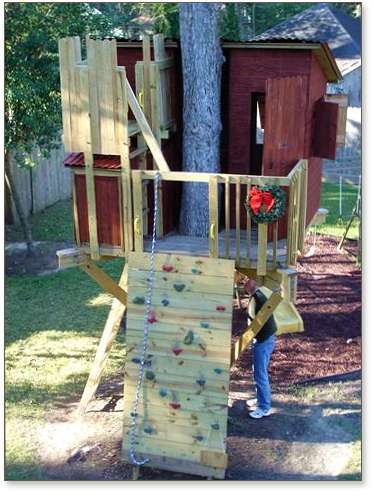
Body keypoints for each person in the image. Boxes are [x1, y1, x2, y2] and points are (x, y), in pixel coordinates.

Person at [243, 278, 276, 419]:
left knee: (260, 374)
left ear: (251, 285)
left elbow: (259, 321)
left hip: (264, 341)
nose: (243, 285)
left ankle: (264, 407)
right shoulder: (257, 295)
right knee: (257, 371)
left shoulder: (258, 298)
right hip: (264, 339)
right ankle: (261, 399)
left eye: (245, 283)